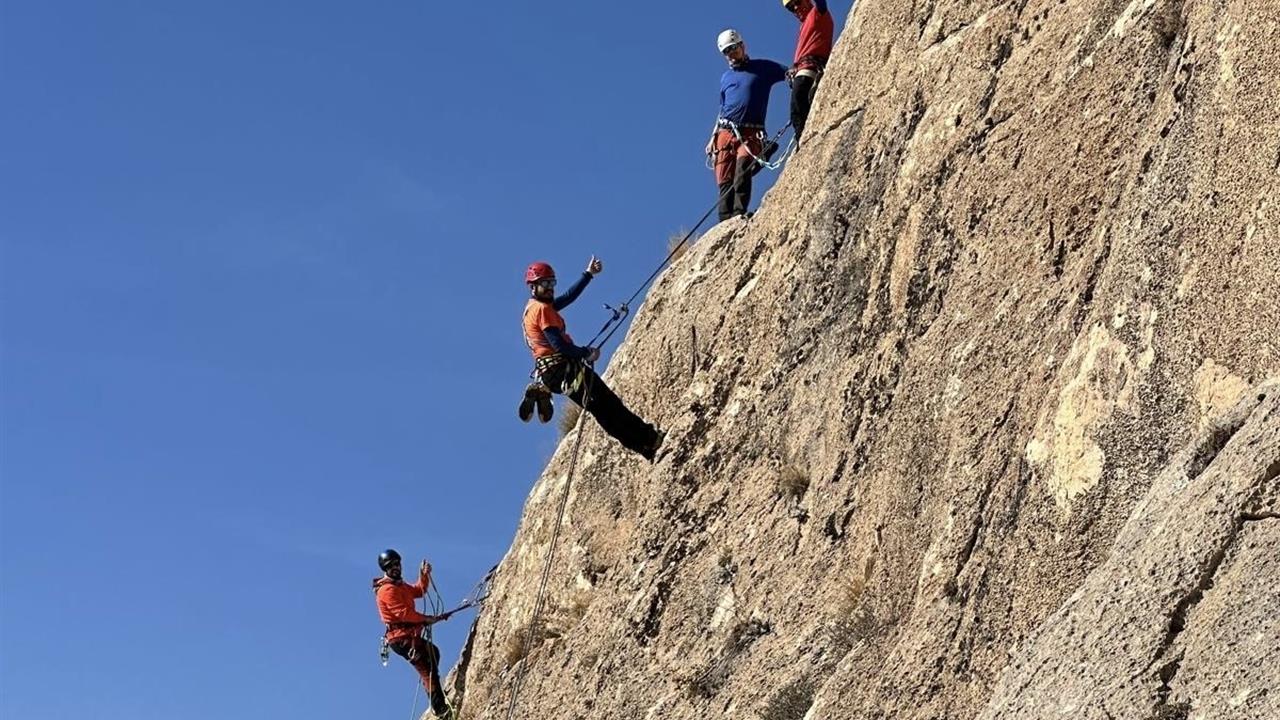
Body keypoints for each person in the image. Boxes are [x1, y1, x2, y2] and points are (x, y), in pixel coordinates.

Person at [519, 259, 664, 461]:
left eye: (552, 283)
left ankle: (645, 445)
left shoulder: (535, 306)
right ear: (533, 286)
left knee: (603, 409)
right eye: (546, 284)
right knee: (608, 406)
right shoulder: (542, 311)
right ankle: (648, 439)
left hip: (554, 372)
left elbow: (568, 298)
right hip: (563, 368)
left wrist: (588, 275)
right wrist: (586, 353)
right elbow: (559, 345)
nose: (551, 288)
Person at [705, 29, 789, 222]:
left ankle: (738, 212)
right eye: (726, 51)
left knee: (743, 169)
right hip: (725, 132)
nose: (731, 54)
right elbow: (722, 110)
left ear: (742, 46)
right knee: (725, 180)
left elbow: (788, 72)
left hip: (751, 132)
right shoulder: (726, 78)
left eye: (733, 49)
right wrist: (712, 138)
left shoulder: (762, 68)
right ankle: (725, 220)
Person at [372, 549, 453, 719]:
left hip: (407, 635)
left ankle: (434, 693)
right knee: (426, 666)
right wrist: (428, 619)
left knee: (433, 654)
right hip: (401, 638)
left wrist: (424, 575)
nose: (395, 568)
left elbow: (419, 591)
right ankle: (440, 709)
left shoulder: (400, 585)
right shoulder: (387, 590)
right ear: (385, 569)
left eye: (397, 564)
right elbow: (404, 614)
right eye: (391, 566)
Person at [783, 0, 835, 143]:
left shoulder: (818, 13)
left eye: (797, 2)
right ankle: (803, 139)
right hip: (803, 69)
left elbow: (821, 3)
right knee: (798, 108)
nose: (795, 8)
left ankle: (803, 141)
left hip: (810, 69)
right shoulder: (804, 25)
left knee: (797, 104)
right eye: (790, 8)